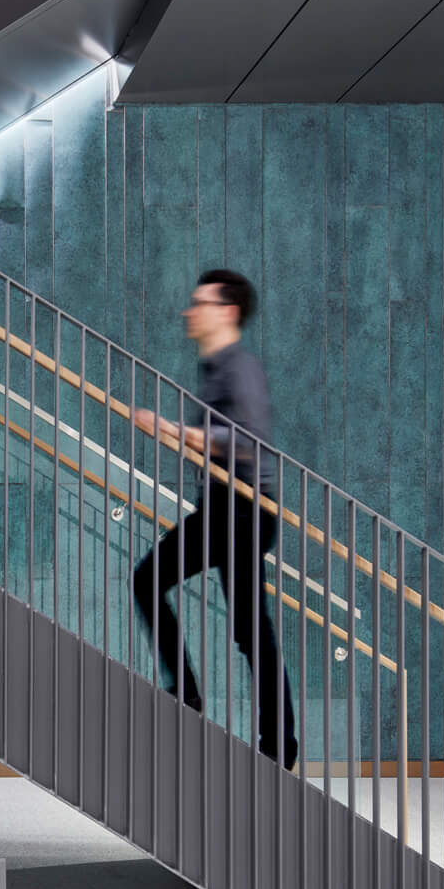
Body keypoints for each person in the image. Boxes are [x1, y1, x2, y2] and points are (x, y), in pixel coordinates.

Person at [130, 268, 298, 768]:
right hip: (224, 509)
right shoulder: (214, 369)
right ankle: (187, 692)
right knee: (150, 580)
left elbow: (250, 441)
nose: (190, 310)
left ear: (227, 311)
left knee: (249, 628)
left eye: (199, 302)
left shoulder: (239, 367)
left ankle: (277, 745)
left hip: (245, 509)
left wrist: (177, 431)